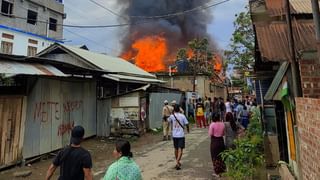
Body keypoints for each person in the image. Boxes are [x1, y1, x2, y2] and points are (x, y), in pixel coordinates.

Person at [168, 104, 189, 170]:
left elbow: (168, 120)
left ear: (174, 109)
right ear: (179, 109)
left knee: (176, 149)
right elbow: (187, 123)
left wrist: (171, 114)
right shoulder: (182, 116)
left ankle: (177, 162)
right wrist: (188, 129)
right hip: (181, 135)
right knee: (180, 149)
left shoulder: (172, 116)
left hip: (174, 135)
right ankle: (177, 162)